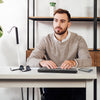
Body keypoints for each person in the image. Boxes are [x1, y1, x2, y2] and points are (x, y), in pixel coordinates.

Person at [27, 8, 92, 100]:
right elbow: (30, 60)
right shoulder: (45, 40)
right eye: (56, 20)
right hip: (52, 84)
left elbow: (88, 61)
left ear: (68, 24)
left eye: (62, 21)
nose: (58, 24)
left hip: (74, 84)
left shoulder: (78, 40)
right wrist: (42, 62)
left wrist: (73, 62)